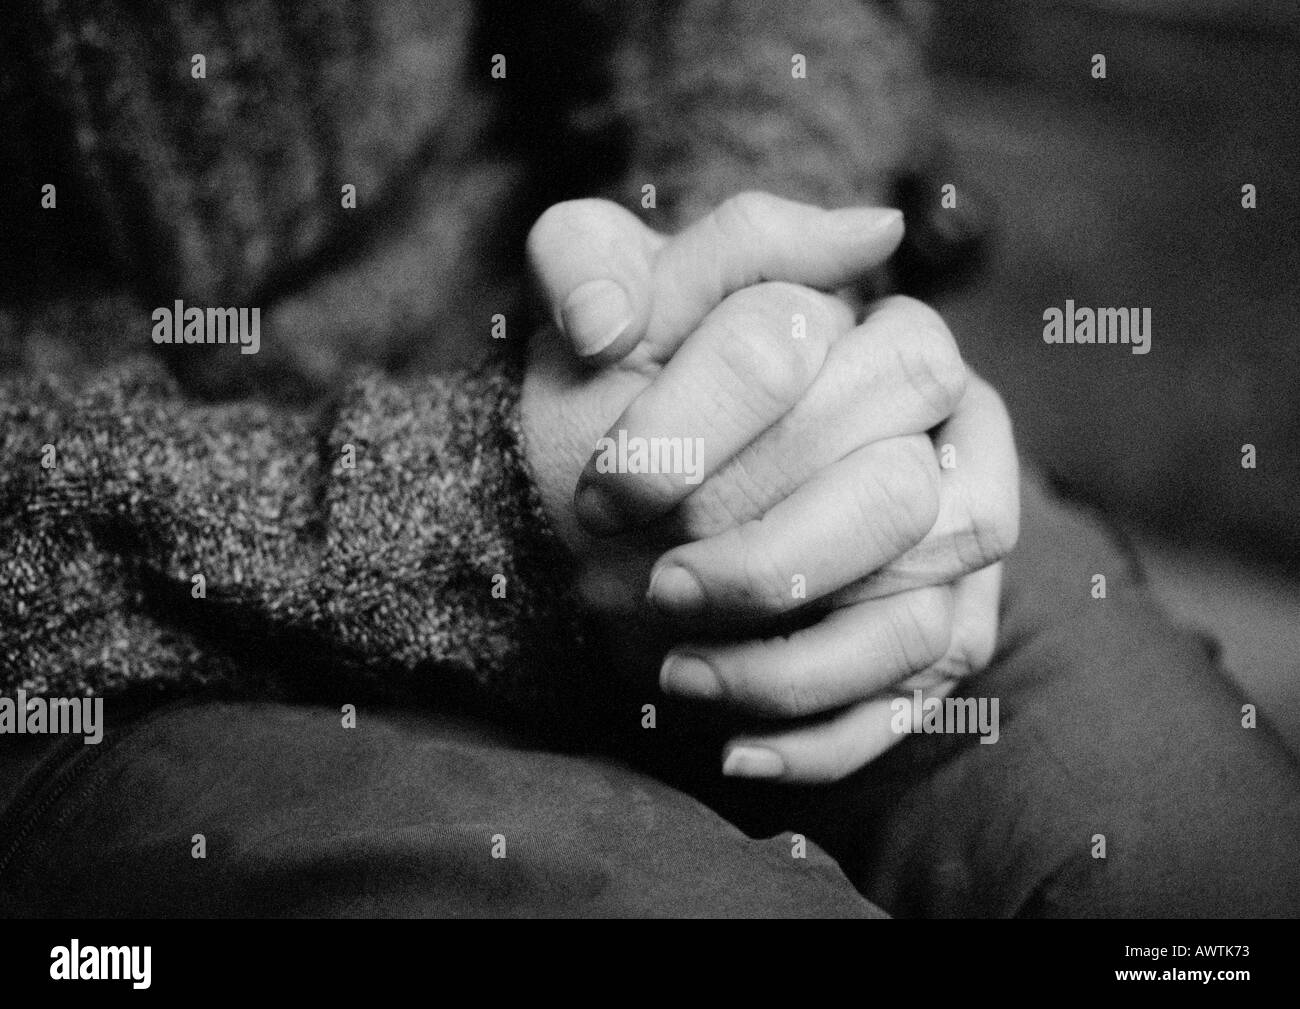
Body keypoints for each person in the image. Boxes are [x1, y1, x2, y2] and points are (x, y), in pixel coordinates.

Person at [2, 0, 1297, 918]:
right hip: (85, 633)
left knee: (1189, 853)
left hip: (563, 353)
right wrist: (473, 507)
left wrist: (745, 303)